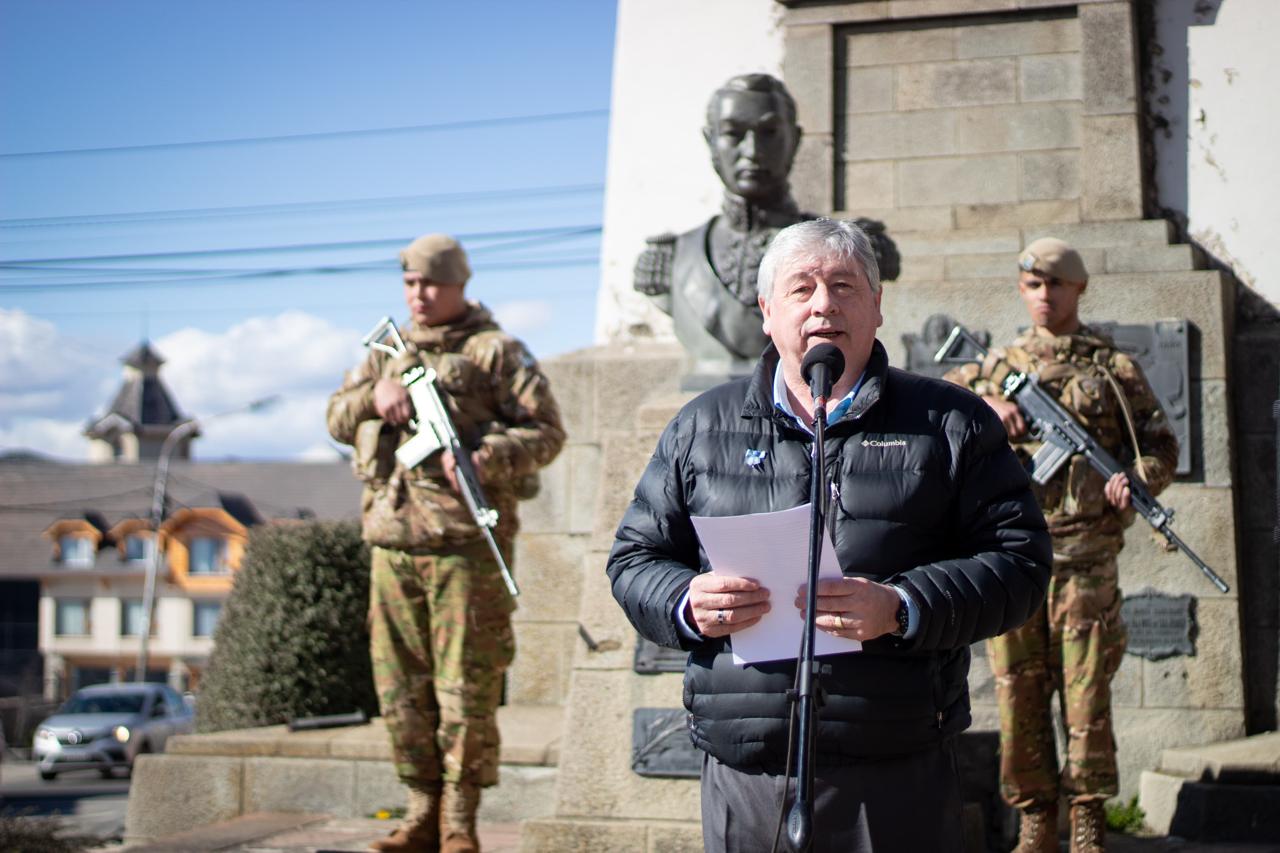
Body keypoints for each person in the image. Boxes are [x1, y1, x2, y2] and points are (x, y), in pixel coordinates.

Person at [609, 218, 1052, 852]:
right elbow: (635, 559)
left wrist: (901, 607)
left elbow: (1021, 565)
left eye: (844, 286)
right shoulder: (699, 427)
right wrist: (688, 602)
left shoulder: (951, 423)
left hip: (893, 762)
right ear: (767, 313)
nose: (823, 303)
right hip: (746, 769)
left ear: (877, 306)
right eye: (802, 288)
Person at [327, 233, 565, 853]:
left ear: (460, 283)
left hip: (465, 547)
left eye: (430, 284)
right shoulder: (386, 352)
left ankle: (461, 823)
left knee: (467, 689)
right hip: (392, 543)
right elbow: (333, 418)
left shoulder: (496, 352)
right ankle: (419, 813)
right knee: (400, 689)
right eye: (409, 284)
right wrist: (373, 401)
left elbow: (547, 430)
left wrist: (488, 458)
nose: (419, 295)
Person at [944, 237, 1179, 853]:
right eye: (1033, 286)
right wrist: (989, 405)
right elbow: (933, 411)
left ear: (1079, 289)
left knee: (1086, 697)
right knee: (1018, 694)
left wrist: (1139, 479)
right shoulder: (993, 366)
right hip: (1012, 560)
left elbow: (1160, 446)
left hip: (1085, 562)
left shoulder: (1113, 369)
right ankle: (1034, 819)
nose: (1044, 297)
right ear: (1021, 291)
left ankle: (1087, 817)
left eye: (1056, 285)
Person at [633, 73, 898, 386]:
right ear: (710, 140)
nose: (752, 150)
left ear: (795, 139)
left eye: (769, 132)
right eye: (733, 133)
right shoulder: (671, 257)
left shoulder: (850, 250)